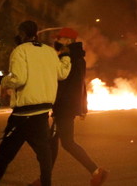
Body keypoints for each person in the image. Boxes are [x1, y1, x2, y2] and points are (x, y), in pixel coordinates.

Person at [0, 20, 71, 186]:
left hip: (22, 115)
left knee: (4, 157)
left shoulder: (20, 51)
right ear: (36, 34)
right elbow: (62, 73)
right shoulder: (49, 51)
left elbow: (19, 79)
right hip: (41, 115)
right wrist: (66, 56)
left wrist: (1, 80)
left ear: (23, 33)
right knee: (44, 157)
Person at [30, 27, 108, 186]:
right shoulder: (77, 57)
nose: (55, 42)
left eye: (59, 39)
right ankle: (45, 180)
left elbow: (65, 85)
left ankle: (96, 171)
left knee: (67, 143)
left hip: (64, 106)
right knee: (53, 143)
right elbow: (79, 85)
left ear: (67, 41)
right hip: (66, 106)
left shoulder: (70, 58)